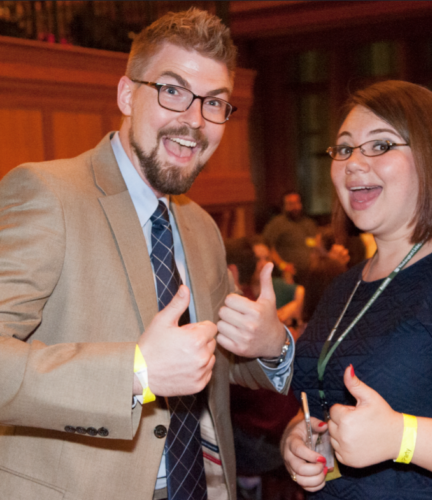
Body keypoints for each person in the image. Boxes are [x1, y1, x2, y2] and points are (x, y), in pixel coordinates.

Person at [0, 9, 292, 500]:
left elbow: (209, 358)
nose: (194, 121)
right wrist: (137, 373)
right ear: (127, 94)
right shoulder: (47, 193)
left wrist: (271, 345)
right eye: (173, 91)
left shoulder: (201, 226)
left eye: (215, 103)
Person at [281, 80, 432, 499]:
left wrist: (403, 436)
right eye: (344, 149)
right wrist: (300, 440)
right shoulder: (345, 285)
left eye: (379, 146)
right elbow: (323, 404)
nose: (353, 163)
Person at [225, 238, 302, 500]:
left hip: (265, 442)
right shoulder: (256, 310)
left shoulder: (233, 316)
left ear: (231, 273)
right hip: (286, 430)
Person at [263, 191, 318, 285]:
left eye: (297, 203)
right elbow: (268, 248)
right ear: (284, 206)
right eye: (290, 204)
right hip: (287, 273)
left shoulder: (309, 224)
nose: (295, 207)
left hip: (309, 273)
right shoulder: (277, 224)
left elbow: (315, 245)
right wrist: (283, 266)